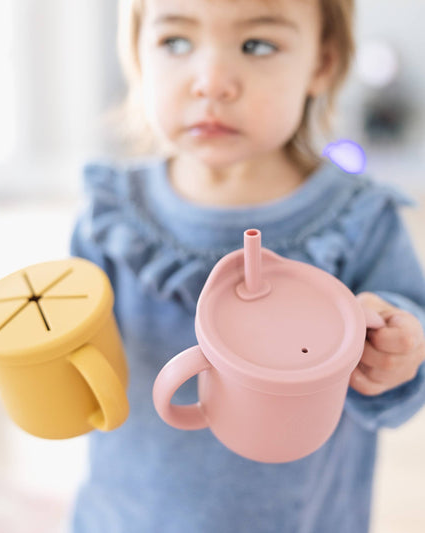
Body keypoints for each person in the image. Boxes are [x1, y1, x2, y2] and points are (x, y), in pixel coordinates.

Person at [69, 0, 425, 531]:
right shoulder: (111, 216)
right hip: (128, 514)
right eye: (176, 42)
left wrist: (394, 345)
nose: (211, 82)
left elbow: (408, 344)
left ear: (322, 64)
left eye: (257, 45)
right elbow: (78, 354)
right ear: (139, 55)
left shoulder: (358, 220)